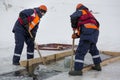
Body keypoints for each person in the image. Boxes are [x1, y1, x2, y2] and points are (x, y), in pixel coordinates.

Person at [69, 3, 102, 76]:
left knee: (80, 51)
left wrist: (74, 26)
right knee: (93, 49)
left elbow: (73, 16)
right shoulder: (89, 14)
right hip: (95, 32)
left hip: (88, 32)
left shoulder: (81, 11)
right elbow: (91, 26)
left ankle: (78, 70)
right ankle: (98, 66)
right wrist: (77, 35)